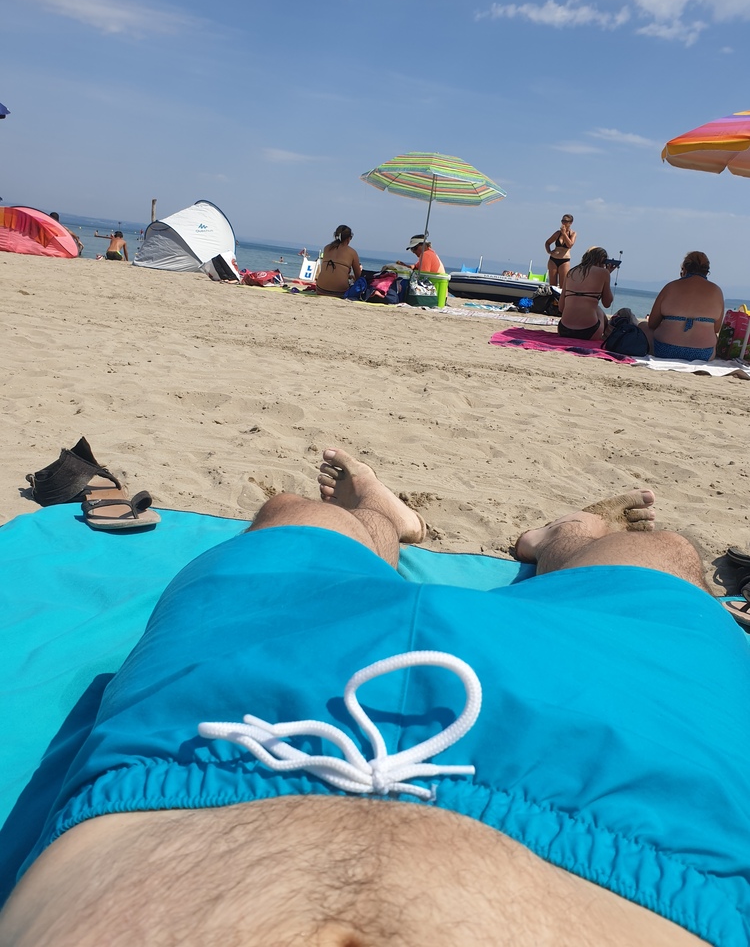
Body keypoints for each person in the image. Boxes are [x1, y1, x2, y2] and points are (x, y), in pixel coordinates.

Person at [1, 447, 749, 946]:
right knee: (658, 558)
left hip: (206, 743)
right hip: (642, 823)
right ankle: (531, 534)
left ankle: (478, 532)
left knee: (294, 515)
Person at [638, 252, 724, 361]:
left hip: (664, 349)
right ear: (707, 271)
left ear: (684, 269)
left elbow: (652, 323)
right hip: (703, 354)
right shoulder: (716, 291)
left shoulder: (670, 287)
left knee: (643, 325)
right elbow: (716, 328)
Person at [557, 246, 614, 340]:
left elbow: (561, 307)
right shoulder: (604, 273)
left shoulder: (571, 272)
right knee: (598, 309)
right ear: (603, 261)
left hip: (564, 329)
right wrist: (607, 275)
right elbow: (607, 303)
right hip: (590, 331)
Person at [316, 225, 362, 296]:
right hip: (340, 292)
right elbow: (358, 276)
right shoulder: (352, 252)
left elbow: (329, 271)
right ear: (348, 238)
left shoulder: (326, 248)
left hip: (321, 289)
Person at [544, 214, 576, 289]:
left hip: (564, 260)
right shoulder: (557, 233)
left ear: (570, 223)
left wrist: (564, 233)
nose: (563, 223)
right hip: (553, 259)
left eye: (565, 221)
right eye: (562, 221)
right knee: (552, 285)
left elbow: (570, 245)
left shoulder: (573, 233)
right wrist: (549, 251)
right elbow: (547, 243)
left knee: (563, 285)